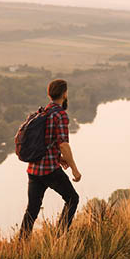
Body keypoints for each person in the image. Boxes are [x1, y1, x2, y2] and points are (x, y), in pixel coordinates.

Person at [18, 79, 81, 240]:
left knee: (32, 209)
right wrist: (74, 168)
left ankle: (21, 245)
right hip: (50, 171)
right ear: (65, 94)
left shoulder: (42, 113)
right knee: (72, 199)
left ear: (50, 94)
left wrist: (58, 158)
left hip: (33, 170)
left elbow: (45, 143)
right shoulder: (60, 115)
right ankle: (59, 238)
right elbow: (63, 144)